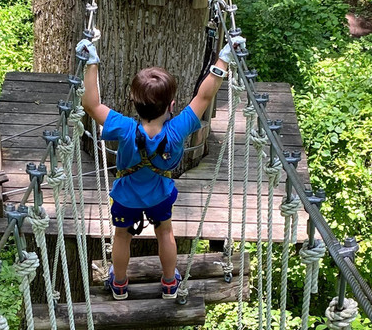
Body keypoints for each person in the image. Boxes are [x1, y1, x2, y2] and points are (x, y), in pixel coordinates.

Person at [76, 34, 245, 299]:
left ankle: (119, 284)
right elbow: (205, 95)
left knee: (121, 236)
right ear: (172, 105)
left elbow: (91, 104)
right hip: (160, 196)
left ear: (133, 103)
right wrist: (224, 58)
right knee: (165, 232)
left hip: (126, 196)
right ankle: (169, 283)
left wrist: (91, 64)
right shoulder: (179, 128)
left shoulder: (122, 127)